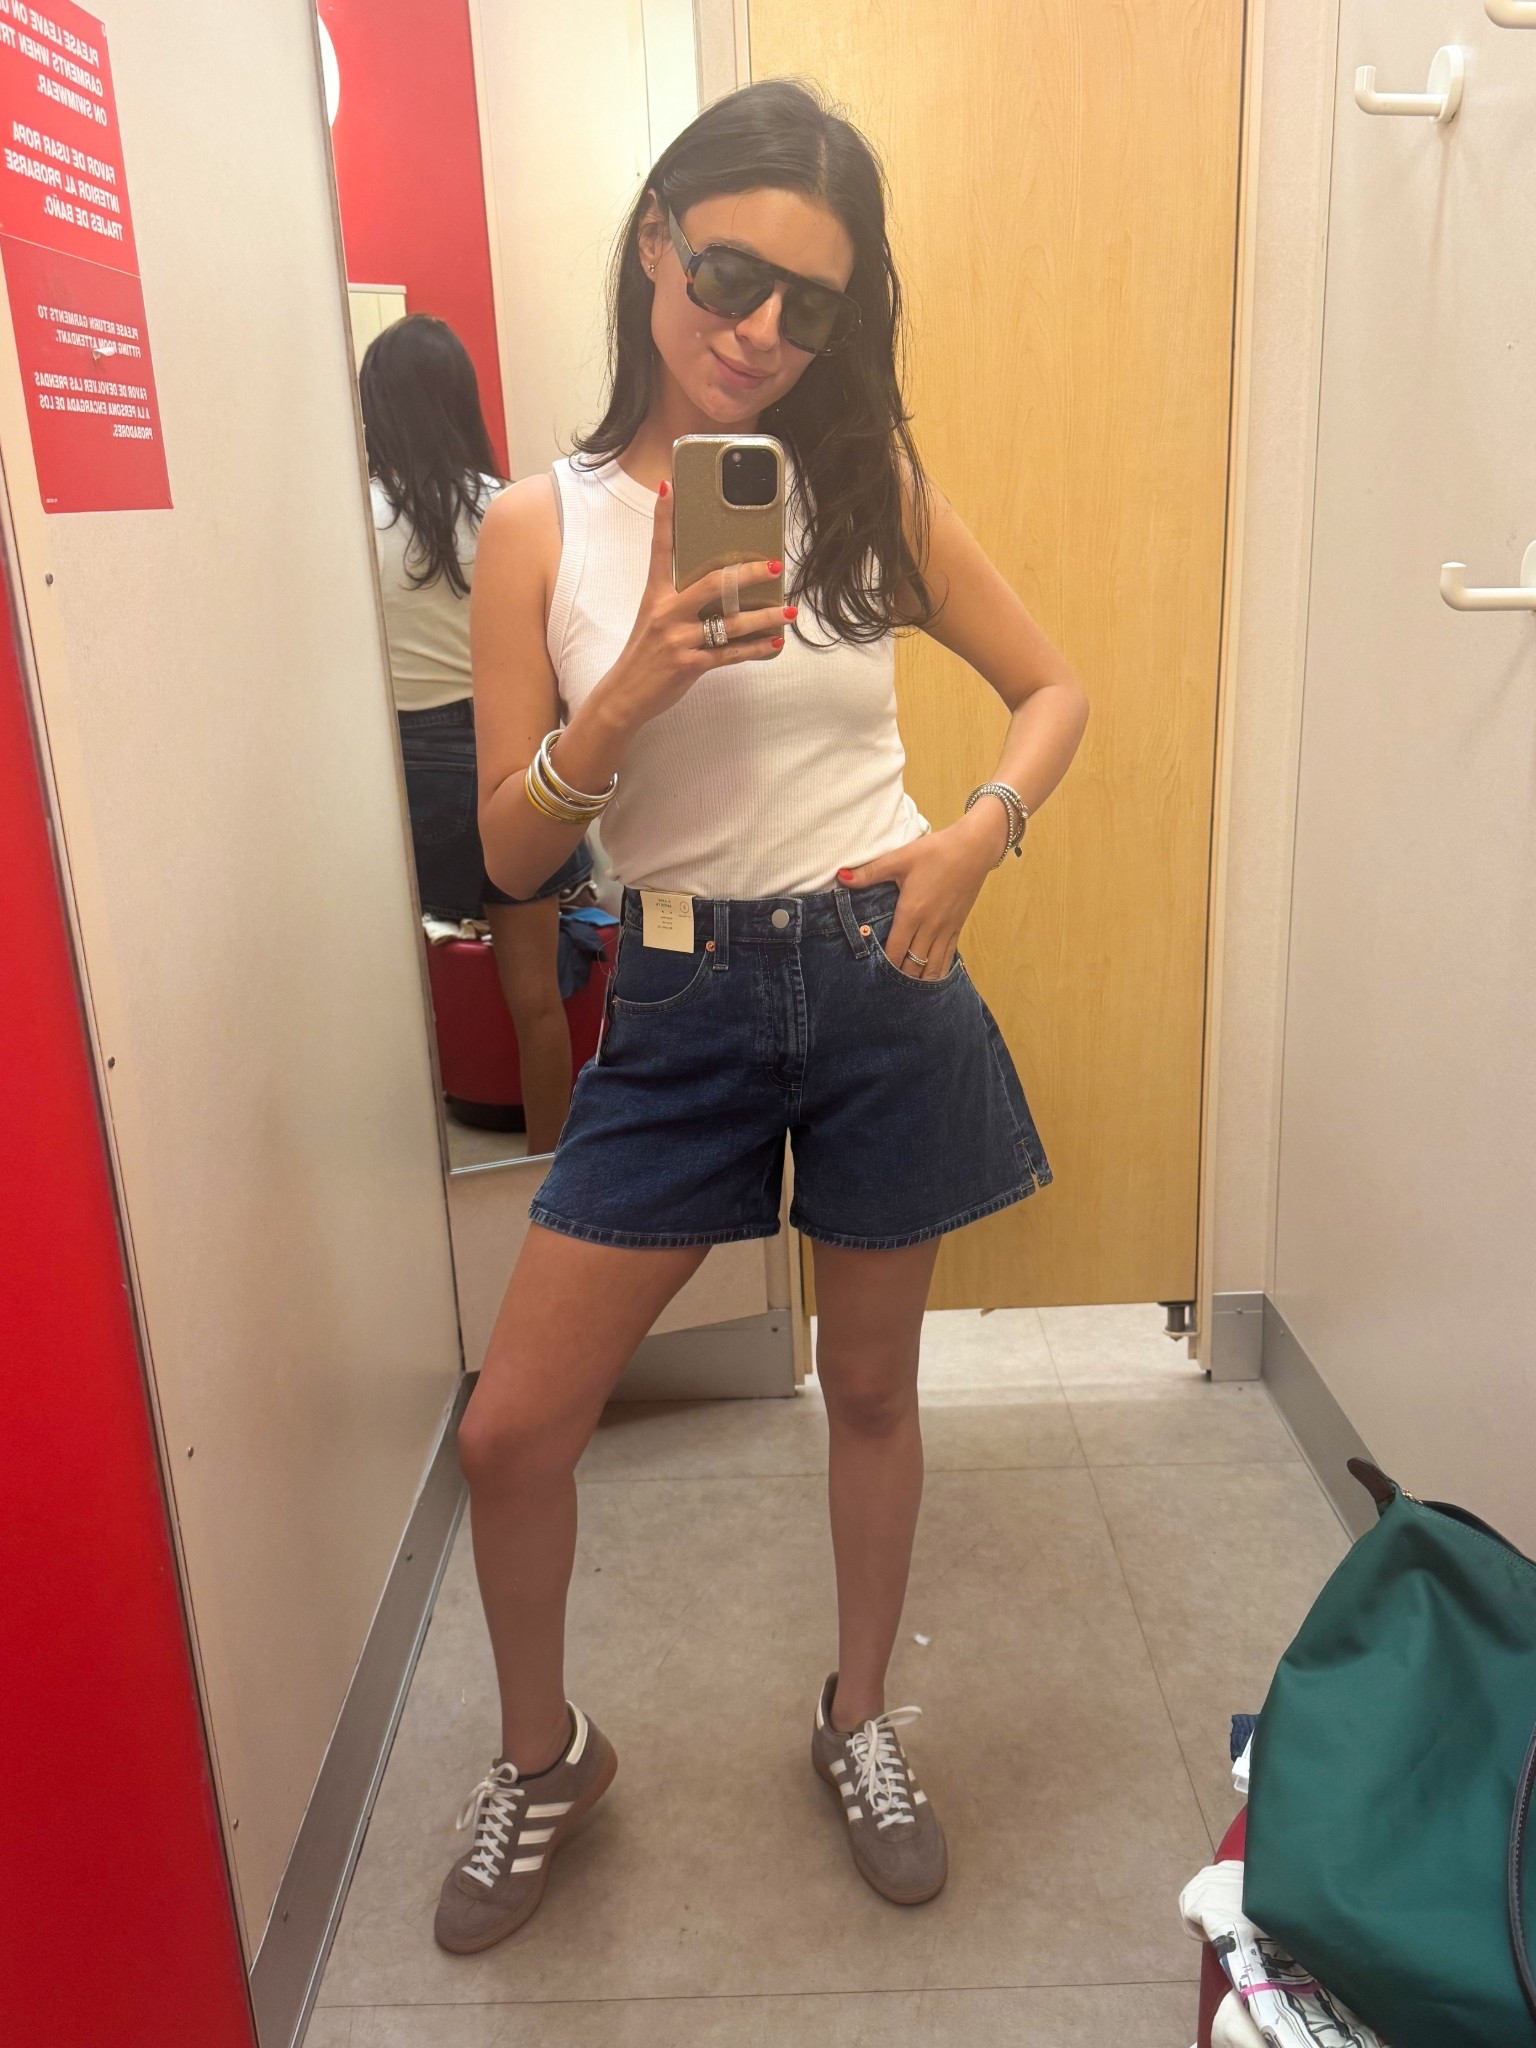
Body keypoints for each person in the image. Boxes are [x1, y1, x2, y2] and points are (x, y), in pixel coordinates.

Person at [436, 78, 1089, 1953]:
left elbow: (1051, 692)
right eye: (731, 275)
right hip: (678, 990)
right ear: (656, 237)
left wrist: (980, 832)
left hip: (883, 973)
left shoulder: (866, 488)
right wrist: (631, 687)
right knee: (511, 1433)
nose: (762, 331)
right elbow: (504, 853)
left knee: (872, 1390)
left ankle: (857, 1716)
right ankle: (547, 1754)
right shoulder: (535, 528)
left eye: (813, 304)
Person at [360, 313, 590, 1155]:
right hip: (508, 757)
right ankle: (546, 1171)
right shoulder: (509, 508)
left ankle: (401, 1180)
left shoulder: (351, 517)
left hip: (400, 770)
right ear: (461, 398)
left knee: (386, 1001)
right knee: (537, 1002)